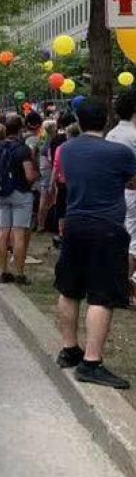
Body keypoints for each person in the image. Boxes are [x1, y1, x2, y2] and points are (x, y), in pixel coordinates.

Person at [55, 98, 136, 389]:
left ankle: (69, 348)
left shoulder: (67, 149)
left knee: (70, 289)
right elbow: (132, 182)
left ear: (78, 119)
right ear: (106, 121)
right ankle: (91, 362)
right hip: (107, 228)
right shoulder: (120, 152)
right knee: (102, 296)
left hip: (75, 223)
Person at [0, 116, 39, 285]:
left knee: (3, 233)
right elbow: (29, 174)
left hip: (2, 192)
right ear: (20, 129)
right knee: (19, 234)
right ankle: (19, 273)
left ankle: (3, 271)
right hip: (21, 193)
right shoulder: (23, 149)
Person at [106, 90, 136, 284]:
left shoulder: (112, 134)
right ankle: (126, 281)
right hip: (132, 191)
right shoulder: (133, 135)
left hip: (114, 192)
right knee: (133, 239)